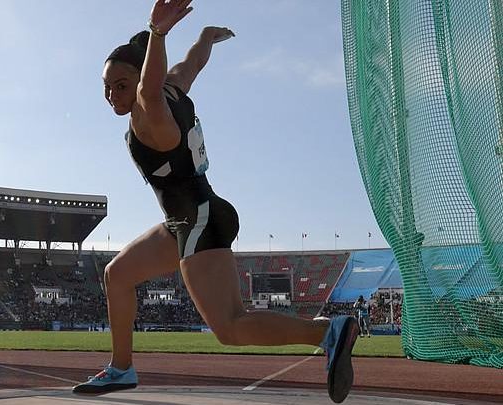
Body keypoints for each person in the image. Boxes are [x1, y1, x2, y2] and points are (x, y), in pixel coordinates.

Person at [72, 1, 359, 403]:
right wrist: (207, 36)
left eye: (121, 84)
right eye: (105, 86)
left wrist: (157, 33)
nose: (111, 94)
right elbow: (191, 65)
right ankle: (121, 368)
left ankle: (327, 331)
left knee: (228, 327)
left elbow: (149, 90)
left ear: (138, 80)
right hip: (185, 219)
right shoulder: (174, 87)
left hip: (199, 219)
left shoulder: (149, 110)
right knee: (117, 275)